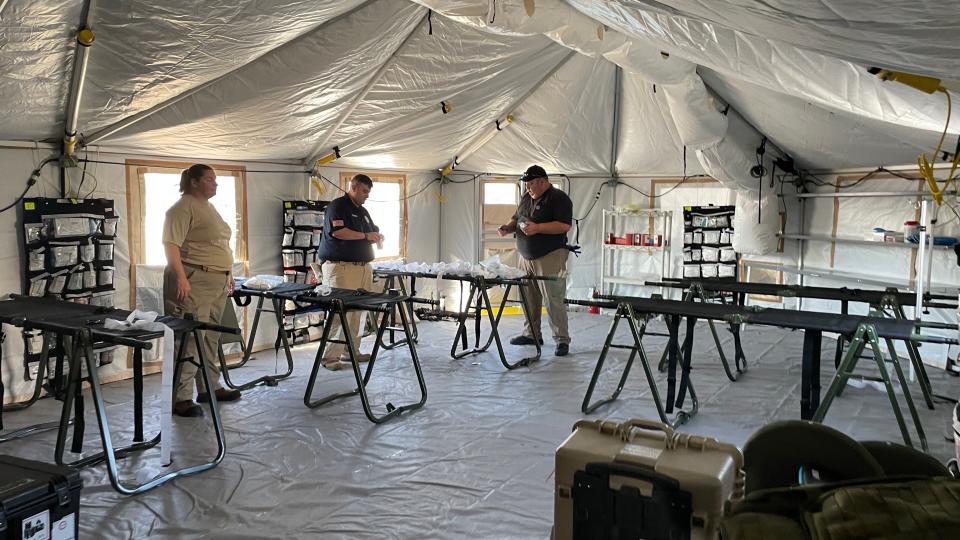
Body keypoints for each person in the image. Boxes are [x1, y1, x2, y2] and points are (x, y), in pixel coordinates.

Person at [163, 164, 241, 417]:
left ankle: (209, 386)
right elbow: (171, 245)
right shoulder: (181, 208)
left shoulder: (209, 208)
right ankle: (180, 397)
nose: (215, 183)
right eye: (209, 179)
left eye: (215, 179)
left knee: (210, 337)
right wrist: (182, 278)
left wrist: (228, 273)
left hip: (216, 280)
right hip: (194, 279)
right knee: (189, 339)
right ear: (194, 182)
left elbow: (218, 244)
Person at [497, 165, 573, 356]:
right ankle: (532, 333)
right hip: (525, 257)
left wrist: (538, 228)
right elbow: (517, 218)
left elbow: (564, 226)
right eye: (526, 185)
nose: (528, 188)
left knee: (553, 298)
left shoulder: (558, 198)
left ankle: (561, 340)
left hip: (550, 256)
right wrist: (508, 228)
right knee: (528, 298)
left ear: (542, 181)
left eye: (531, 184)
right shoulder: (526, 198)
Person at [317, 174, 384, 369]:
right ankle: (330, 357)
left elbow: (371, 231)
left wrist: (377, 236)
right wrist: (365, 235)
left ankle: (351, 350)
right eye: (364, 191)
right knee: (340, 313)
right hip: (341, 268)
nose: (367, 195)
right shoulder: (337, 206)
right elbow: (339, 232)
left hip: (362, 268)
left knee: (358, 312)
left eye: (368, 192)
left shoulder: (363, 211)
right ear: (353, 187)